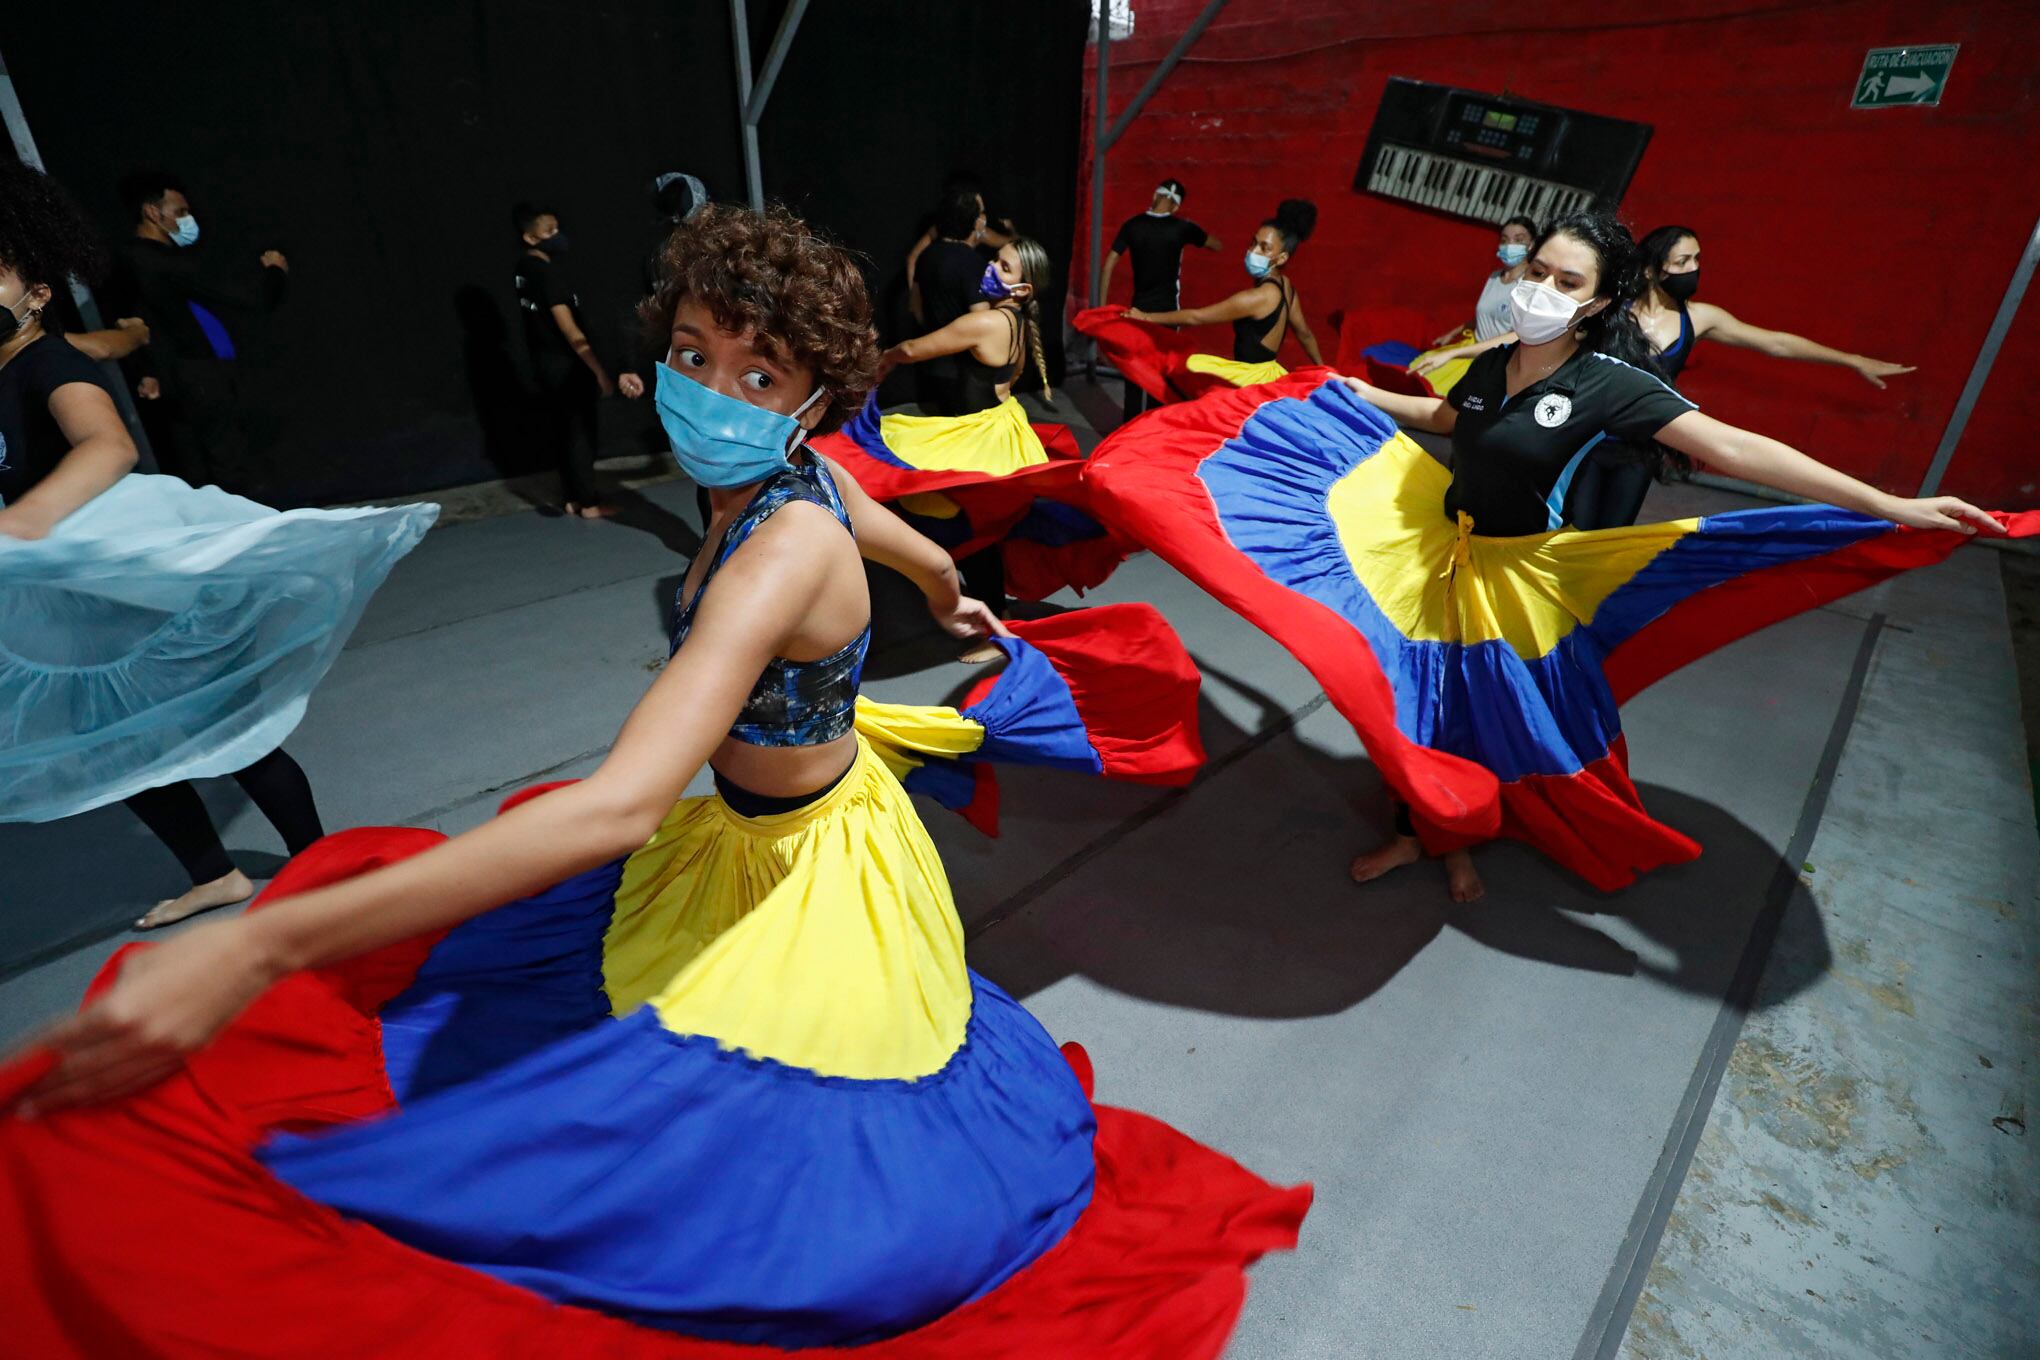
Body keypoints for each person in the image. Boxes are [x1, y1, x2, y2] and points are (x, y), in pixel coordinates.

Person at [0, 205, 1304, 1356]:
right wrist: (946, 587)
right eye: (692, 353)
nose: (710, 388)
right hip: (739, 829)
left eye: (756, 370)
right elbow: (882, 522)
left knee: (762, 1176)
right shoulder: (790, 481)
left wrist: (259, 947)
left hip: (808, 859)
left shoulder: (775, 548)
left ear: (809, 397)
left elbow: (621, 803)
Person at [1327, 212, 1994, 900]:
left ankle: (1462, 836)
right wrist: (1368, 395)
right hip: (1441, 555)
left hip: (1520, 580)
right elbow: (1452, 419)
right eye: (1536, 273)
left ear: (1600, 302)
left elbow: (1734, 449)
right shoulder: (1496, 359)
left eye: (1566, 280)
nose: (1542, 289)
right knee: (1417, 705)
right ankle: (1416, 832)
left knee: (1489, 716)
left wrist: (1891, 506)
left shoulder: (1608, 381)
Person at [0, 163, 432, 928]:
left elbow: (107, 447)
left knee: (225, 723)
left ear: (35, 295)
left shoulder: (49, 362)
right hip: (65, 589)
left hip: (116, 570)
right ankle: (214, 874)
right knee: (115, 744)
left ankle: (319, 868)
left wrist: (23, 523)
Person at [1564, 224, 1920, 530]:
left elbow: (1777, 343)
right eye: (1683, 262)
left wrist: (1850, 359)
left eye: (1698, 260)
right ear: (1650, 270)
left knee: (1607, 543)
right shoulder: (1611, 309)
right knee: (1563, 535)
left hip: (1639, 450)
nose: (1694, 269)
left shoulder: (1701, 318)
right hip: (1583, 443)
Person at [869, 237, 1071, 641]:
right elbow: (1010, 380)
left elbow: (912, 348)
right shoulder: (1016, 321)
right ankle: (992, 610)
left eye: (1005, 267)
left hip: (983, 434)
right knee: (978, 525)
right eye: (996, 259)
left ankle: (991, 621)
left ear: (1023, 288)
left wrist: (884, 359)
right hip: (1001, 424)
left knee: (933, 500)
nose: (991, 268)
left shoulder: (987, 322)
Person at [108, 171, 288, 494]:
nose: (187, 220)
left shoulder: (127, 261)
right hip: (195, 376)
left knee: (201, 463)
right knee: (229, 464)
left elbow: (135, 317)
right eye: (180, 212)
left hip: (178, 377)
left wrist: (146, 372)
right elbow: (251, 298)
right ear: (152, 213)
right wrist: (275, 271)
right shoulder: (161, 262)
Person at [1125, 198, 1324, 376]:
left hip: (1248, 381)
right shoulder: (1286, 287)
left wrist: (1146, 317)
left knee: (1183, 371)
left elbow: (1197, 317)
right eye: (1253, 242)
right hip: (1269, 375)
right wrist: (1324, 370)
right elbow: (1304, 333)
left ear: (1281, 258)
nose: (1253, 251)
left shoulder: (1258, 297)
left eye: (1264, 248)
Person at [513, 201, 616, 519]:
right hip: (566, 367)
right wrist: (598, 370)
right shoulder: (546, 273)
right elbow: (568, 327)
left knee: (562, 431)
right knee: (580, 434)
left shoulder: (523, 270)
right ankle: (589, 503)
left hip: (543, 365)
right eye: (549, 231)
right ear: (530, 237)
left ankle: (571, 497)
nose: (557, 236)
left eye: (557, 229)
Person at [1100, 179, 1221, 420]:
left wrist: (1103, 307)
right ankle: (1154, 425)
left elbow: (1110, 263)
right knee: (1162, 373)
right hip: (1167, 312)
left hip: (1137, 311)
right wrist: (1196, 234)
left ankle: (1130, 426)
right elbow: (1215, 245)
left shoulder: (1132, 226)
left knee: (1134, 373)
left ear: (1155, 196)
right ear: (1176, 206)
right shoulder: (1182, 228)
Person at [1406, 213, 1538, 386]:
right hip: (1469, 350)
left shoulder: (1530, 286)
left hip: (1493, 362)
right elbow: (1484, 316)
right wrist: (1452, 333)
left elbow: (1518, 335)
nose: (1509, 245)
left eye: (1518, 240)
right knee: (1420, 374)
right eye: (1505, 240)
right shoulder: (1494, 277)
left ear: (1531, 245)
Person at [905, 186, 988, 410]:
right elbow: (980, 322)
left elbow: (916, 307)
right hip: (964, 373)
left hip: (933, 366)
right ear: (974, 222)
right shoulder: (972, 263)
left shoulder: (927, 256)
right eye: (981, 214)